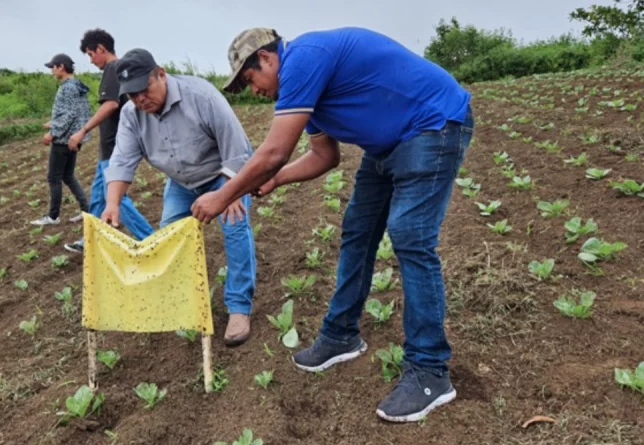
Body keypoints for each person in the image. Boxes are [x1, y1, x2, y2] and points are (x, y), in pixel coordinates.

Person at [190, 27, 474, 422]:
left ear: (267, 59)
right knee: (357, 232)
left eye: (249, 79)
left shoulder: (304, 58)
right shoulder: (310, 92)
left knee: (410, 237)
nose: (252, 91)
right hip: (389, 146)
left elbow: (273, 150)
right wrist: (274, 180)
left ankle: (430, 371)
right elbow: (325, 156)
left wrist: (224, 195)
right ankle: (341, 335)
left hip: (434, 125)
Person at [101, 48, 257, 347]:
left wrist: (230, 191)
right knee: (170, 238)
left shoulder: (201, 95)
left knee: (235, 227)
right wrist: (112, 204)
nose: (139, 100)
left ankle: (239, 307)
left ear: (160, 74)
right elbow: (121, 161)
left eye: (143, 90)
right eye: (131, 95)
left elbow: (236, 147)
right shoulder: (132, 114)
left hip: (223, 174)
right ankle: (183, 301)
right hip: (181, 182)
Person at [63, 29, 154, 252]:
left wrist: (82, 131)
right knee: (97, 199)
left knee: (115, 197)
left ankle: (151, 241)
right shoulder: (118, 69)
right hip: (108, 149)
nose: (91, 60)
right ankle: (91, 241)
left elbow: (111, 104)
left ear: (101, 49)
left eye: (90, 54)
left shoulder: (114, 68)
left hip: (115, 148)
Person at [31, 53, 92, 226]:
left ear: (61, 67)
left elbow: (69, 113)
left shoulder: (68, 88)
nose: (51, 71)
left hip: (64, 139)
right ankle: (87, 210)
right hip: (73, 137)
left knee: (54, 177)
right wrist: (54, 122)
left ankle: (53, 216)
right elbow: (77, 112)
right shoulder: (77, 86)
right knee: (68, 176)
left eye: (53, 67)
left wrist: (54, 132)